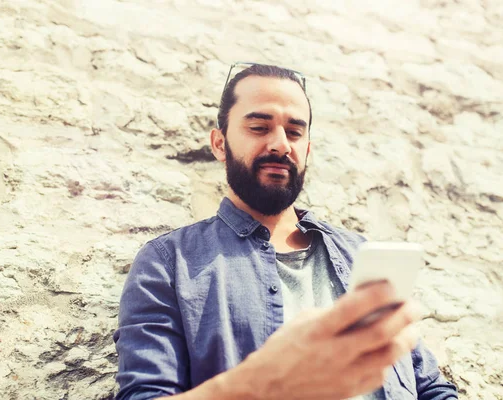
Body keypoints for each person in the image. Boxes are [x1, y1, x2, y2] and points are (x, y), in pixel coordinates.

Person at [113, 63, 459, 400]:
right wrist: (261, 385)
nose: (281, 144)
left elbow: (429, 387)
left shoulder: (360, 253)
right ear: (220, 144)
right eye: (259, 127)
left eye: (294, 132)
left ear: (307, 149)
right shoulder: (168, 263)